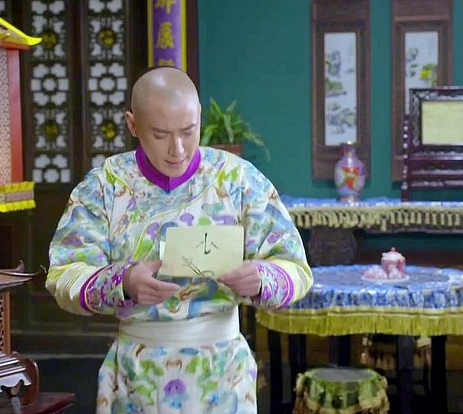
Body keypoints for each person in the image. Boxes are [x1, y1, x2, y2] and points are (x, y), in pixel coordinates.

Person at [45, 66, 313, 414]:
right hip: (137, 375)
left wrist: (262, 278)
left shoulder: (239, 180)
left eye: (189, 131)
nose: (178, 149)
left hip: (222, 375)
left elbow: (296, 269)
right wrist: (122, 282)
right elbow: (64, 274)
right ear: (132, 125)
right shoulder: (105, 186)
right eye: (160, 135)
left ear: (199, 115)